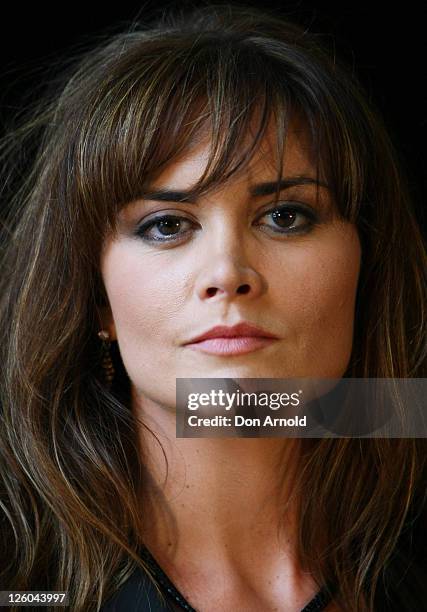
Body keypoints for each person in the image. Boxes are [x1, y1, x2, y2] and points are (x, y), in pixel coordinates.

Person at [0, 4, 425, 611]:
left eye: (285, 216)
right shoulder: (22, 586)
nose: (228, 273)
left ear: (367, 266)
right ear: (98, 302)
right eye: (167, 224)